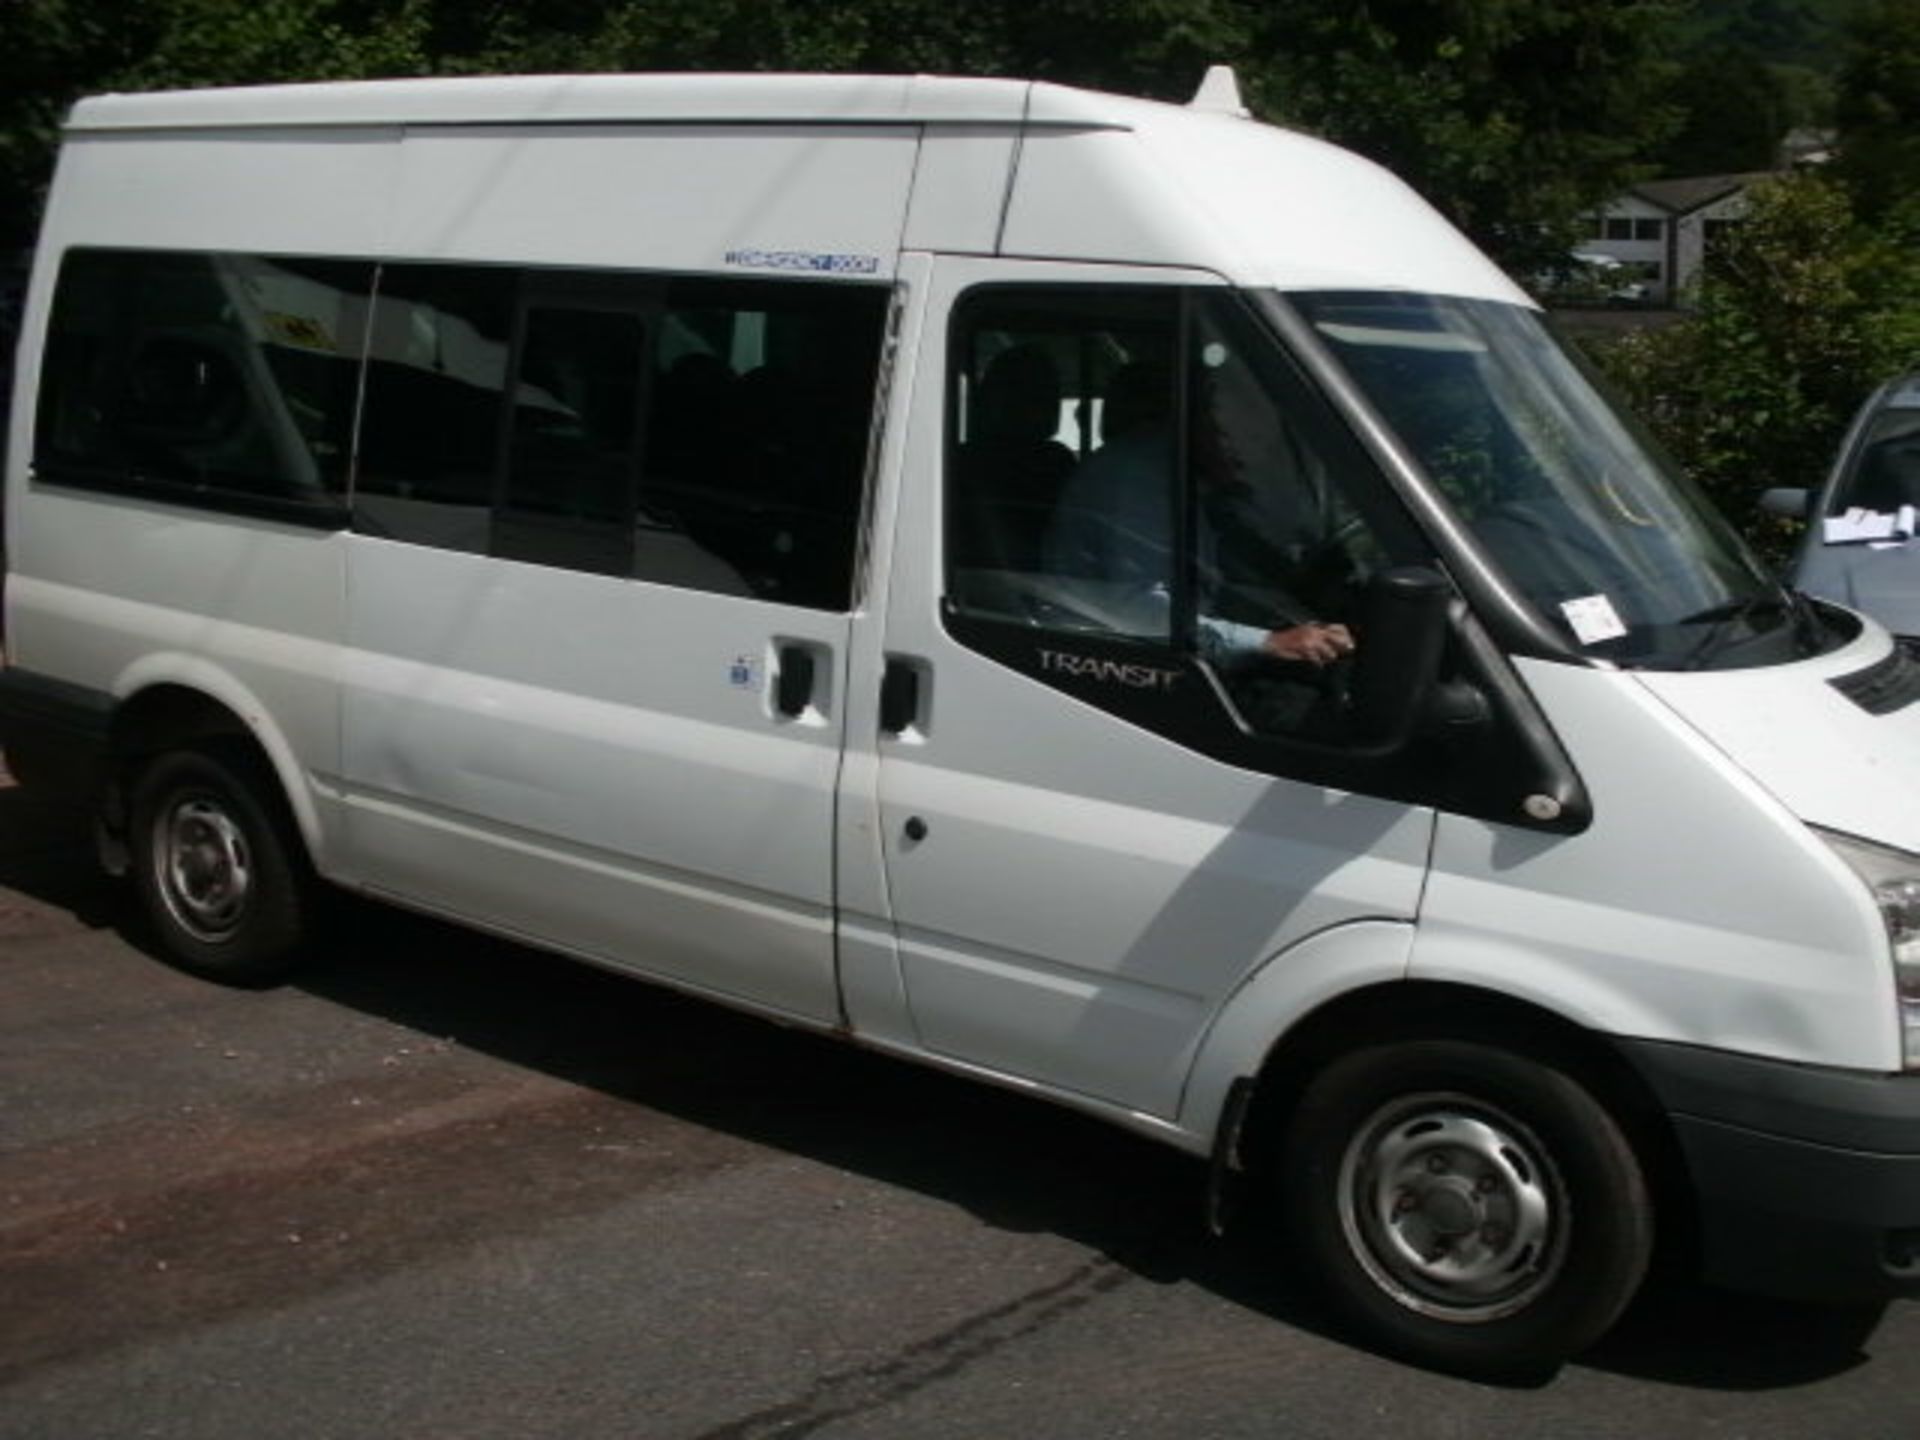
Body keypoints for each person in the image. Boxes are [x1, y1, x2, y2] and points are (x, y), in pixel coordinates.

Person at [1043, 360, 1355, 669]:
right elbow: (1142, 610)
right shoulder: (1138, 475)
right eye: (1239, 422)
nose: (1254, 443)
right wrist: (1267, 642)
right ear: (1200, 418)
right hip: (1101, 659)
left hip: (1172, 644)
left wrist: (1310, 626)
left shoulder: (1203, 474)